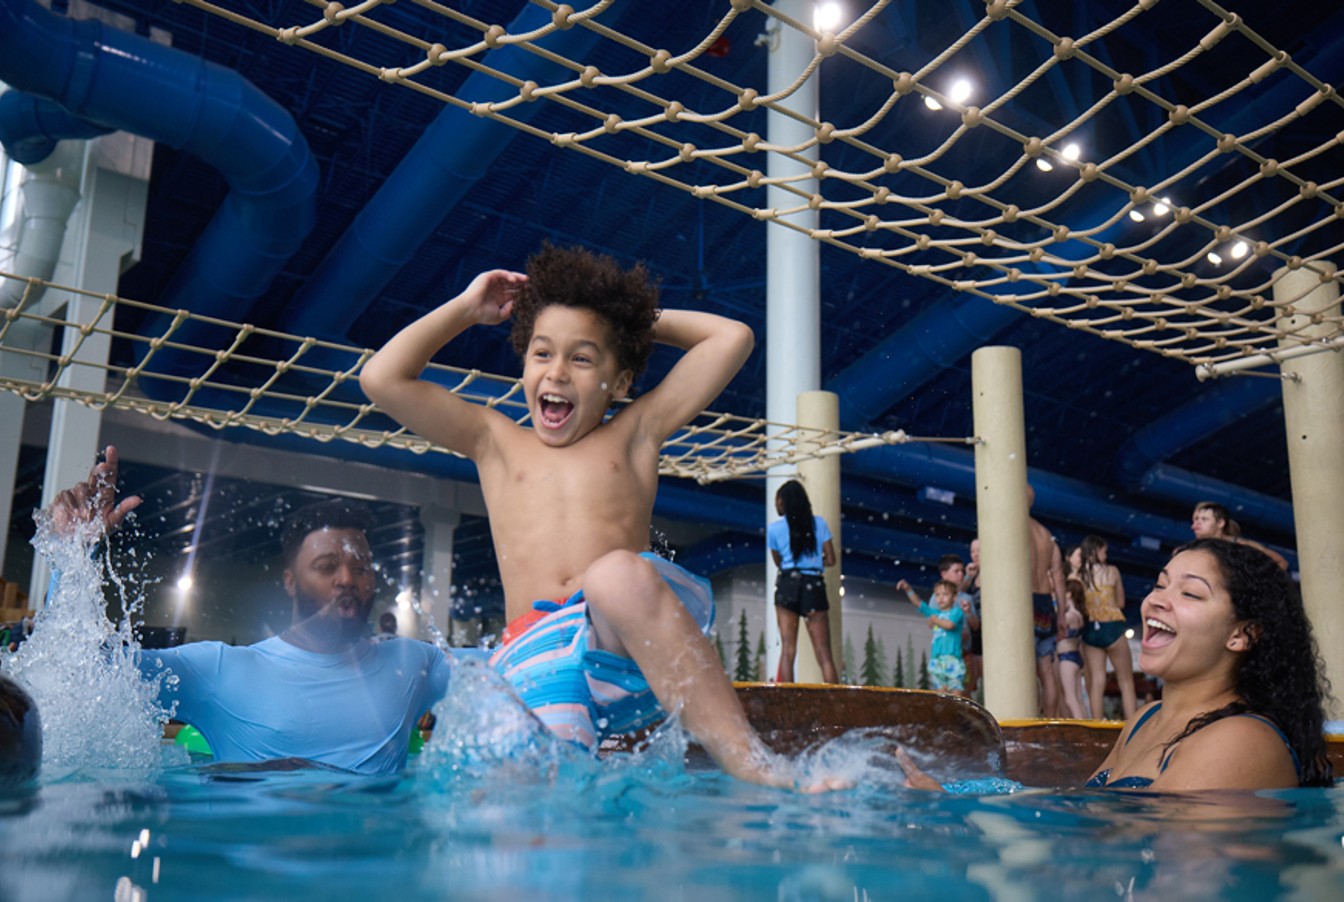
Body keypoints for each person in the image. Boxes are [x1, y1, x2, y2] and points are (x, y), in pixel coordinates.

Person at [360, 244, 838, 790]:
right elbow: (382, 379)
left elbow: (732, 339)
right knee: (545, 812)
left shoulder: (635, 433)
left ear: (621, 380)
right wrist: (466, 309)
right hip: (534, 655)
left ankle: (753, 762)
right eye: (542, 354)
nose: (557, 372)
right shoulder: (494, 441)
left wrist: (629, 323)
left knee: (615, 574)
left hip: (622, 643)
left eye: (582, 358)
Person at [50, 447, 452, 776]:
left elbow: (509, 665)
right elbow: (80, 672)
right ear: (290, 581)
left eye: (361, 567)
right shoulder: (219, 671)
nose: (347, 578)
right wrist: (75, 555)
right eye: (327, 566)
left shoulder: (412, 663)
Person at [900, 539, 1333, 792]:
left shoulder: (1240, 741)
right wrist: (956, 794)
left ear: (1242, 635)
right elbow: (1082, 810)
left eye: (1191, 593)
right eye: (1161, 584)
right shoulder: (1147, 719)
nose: (1156, 599)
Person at [767, 480, 839, 684]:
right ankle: (835, 703)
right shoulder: (819, 524)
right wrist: (816, 561)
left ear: (784, 501)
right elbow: (832, 559)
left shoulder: (774, 529)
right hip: (813, 584)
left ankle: (789, 706)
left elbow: (779, 562)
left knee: (788, 651)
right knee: (824, 655)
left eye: (778, 499)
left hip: (788, 583)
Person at [1078, 535, 1137, 721]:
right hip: (1112, 626)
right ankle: (1132, 727)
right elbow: (1120, 602)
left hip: (1090, 630)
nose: (1106, 554)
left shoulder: (1077, 575)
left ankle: (1097, 725)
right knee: (1126, 682)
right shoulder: (1112, 571)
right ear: (1095, 550)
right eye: (1103, 550)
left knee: (1097, 682)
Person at [1027, 488, 1066, 718]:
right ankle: (1049, 721)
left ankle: (1029, 719)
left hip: (1025, 601)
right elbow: (1058, 578)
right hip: (1045, 605)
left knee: (1026, 670)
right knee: (1046, 670)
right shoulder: (1046, 535)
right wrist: (1061, 615)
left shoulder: (1015, 526)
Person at [896, 578, 967, 696]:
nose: (941, 598)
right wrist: (908, 589)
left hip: (952, 658)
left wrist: (935, 620)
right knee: (940, 693)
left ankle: (957, 712)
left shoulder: (956, 612)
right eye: (937, 595)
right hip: (936, 659)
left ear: (954, 597)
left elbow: (949, 625)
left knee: (956, 691)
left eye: (945, 594)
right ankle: (942, 712)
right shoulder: (935, 612)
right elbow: (919, 603)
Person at [1191, 501, 1289, 570]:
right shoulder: (1195, 551)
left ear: (1220, 523)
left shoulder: (1243, 546)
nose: (1196, 524)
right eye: (1195, 519)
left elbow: (1281, 562)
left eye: (1204, 519)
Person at [1056, 579, 1087, 719]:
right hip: (1076, 657)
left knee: (1070, 698)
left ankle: (1081, 729)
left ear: (1068, 594)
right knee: (1078, 699)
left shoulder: (1068, 616)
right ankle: (1086, 725)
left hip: (1066, 657)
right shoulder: (1079, 616)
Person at [960, 539, 983, 694]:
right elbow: (957, 594)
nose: (975, 555)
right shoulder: (972, 577)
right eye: (972, 551)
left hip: (990, 632)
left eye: (978, 550)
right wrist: (968, 577)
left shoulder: (995, 572)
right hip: (974, 634)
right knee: (969, 681)